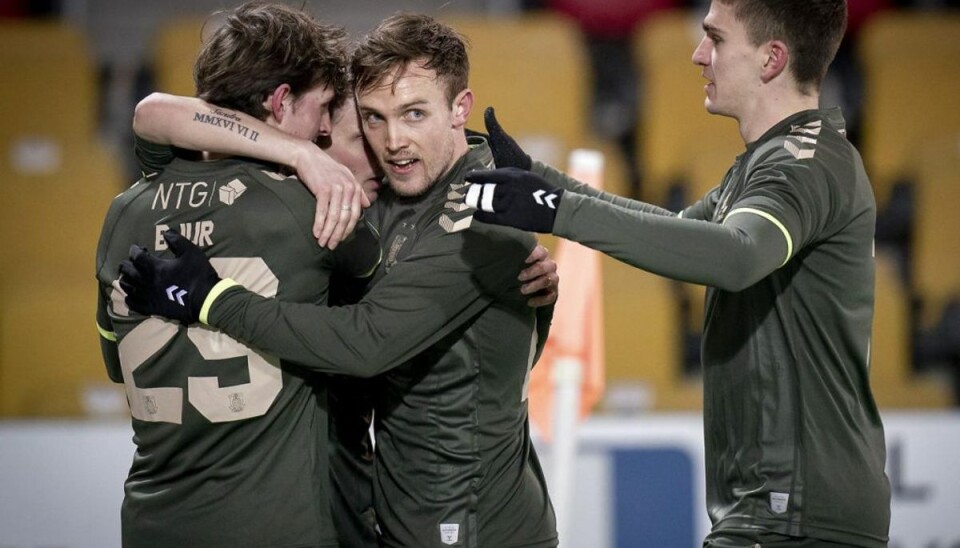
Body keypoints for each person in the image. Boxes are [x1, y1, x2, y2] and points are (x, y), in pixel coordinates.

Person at [119, 13, 560, 548]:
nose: (386, 144)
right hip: (347, 515)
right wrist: (298, 153)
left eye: (410, 115)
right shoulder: (340, 209)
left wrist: (214, 298)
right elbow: (154, 113)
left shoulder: (134, 212)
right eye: (367, 123)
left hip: (461, 524)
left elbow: (372, 343)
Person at [463, 1, 891, 546]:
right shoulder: (771, 161)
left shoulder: (804, 165)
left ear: (771, 58)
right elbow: (676, 231)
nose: (698, 54)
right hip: (775, 513)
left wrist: (552, 208)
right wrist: (539, 179)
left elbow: (734, 257)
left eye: (714, 38)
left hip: (797, 516)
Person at [95, 3, 381, 547]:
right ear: (279, 101)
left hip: (152, 526)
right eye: (322, 107)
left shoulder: (122, 212)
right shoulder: (314, 209)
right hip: (274, 526)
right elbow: (374, 308)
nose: (324, 128)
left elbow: (115, 363)